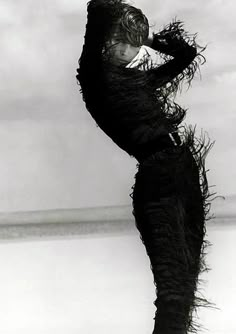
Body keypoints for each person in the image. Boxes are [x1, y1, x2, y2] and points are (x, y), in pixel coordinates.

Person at [76, 0, 215, 333]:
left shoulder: (137, 81)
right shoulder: (96, 77)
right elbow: (98, 10)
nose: (126, 48)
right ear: (105, 40)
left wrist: (147, 36)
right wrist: (117, 28)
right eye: (121, 40)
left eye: (130, 43)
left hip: (182, 171)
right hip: (159, 182)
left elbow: (187, 55)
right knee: (173, 291)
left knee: (187, 282)